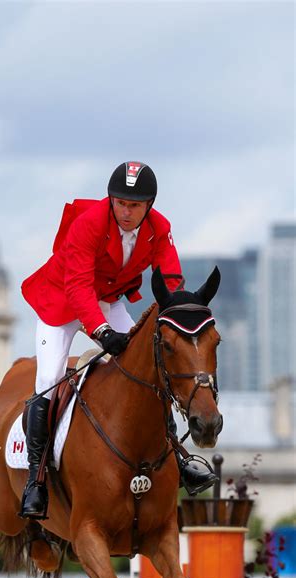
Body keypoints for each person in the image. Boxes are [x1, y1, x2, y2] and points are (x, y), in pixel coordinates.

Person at [19, 161, 217, 520]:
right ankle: (36, 480)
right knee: (48, 383)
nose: (126, 212)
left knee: (152, 367)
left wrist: (179, 309)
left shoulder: (160, 228)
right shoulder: (89, 223)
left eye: (134, 205)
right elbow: (78, 288)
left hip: (107, 302)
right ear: (111, 200)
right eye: (120, 203)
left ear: (148, 206)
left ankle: (181, 459)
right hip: (61, 304)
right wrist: (102, 333)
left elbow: (170, 276)